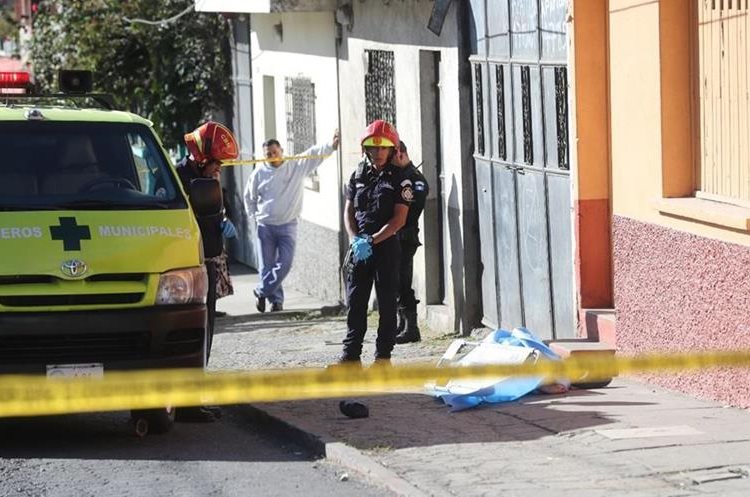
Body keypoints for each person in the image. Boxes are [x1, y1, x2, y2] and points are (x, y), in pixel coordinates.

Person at [175, 121, 239, 422]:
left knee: (207, 332)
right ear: (202, 159)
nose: (219, 169)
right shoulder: (179, 179)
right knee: (196, 332)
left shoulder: (205, 178)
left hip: (210, 261)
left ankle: (194, 400)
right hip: (192, 265)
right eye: (217, 163)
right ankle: (187, 405)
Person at [338, 120, 413, 366]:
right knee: (356, 303)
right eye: (373, 147)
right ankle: (351, 358)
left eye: (383, 148)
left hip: (386, 248)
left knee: (387, 305)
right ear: (365, 149)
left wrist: (372, 239)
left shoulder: (401, 179)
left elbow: (399, 219)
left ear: (392, 150)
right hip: (360, 249)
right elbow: (349, 211)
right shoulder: (358, 175)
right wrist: (354, 239)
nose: (378, 153)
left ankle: (383, 358)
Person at [243, 130, 340, 313]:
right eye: (268, 154)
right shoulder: (258, 173)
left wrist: (331, 146)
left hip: (288, 225)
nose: (272, 156)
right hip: (265, 226)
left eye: (274, 152)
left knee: (285, 264)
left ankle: (261, 291)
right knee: (267, 266)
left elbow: (313, 154)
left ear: (281, 150)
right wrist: (254, 216)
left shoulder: (295, 166)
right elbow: (249, 197)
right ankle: (276, 301)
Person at [392, 141, 429, 343]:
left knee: (403, 282)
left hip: (406, 237)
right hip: (396, 237)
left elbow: (413, 210)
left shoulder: (415, 179)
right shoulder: (399, 176)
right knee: (396, 283)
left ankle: (412, 328)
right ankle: (401, 322)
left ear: (400, 154)